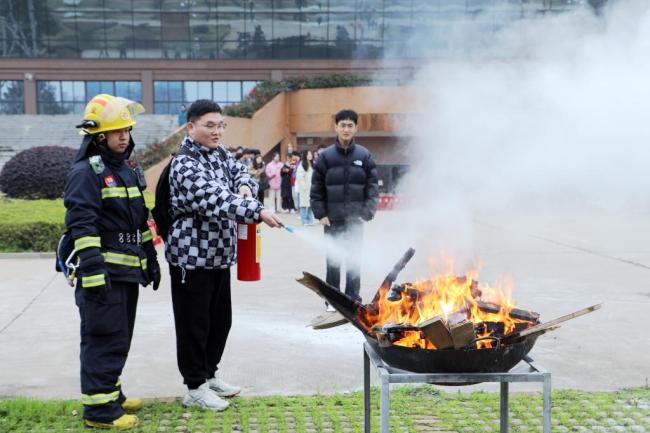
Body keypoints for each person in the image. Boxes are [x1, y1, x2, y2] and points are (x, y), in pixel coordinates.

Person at [166, 99, 283, 412]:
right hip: (192, 257)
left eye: (220, 125)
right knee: (194, 325)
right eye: (210, 126)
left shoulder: (219, 153)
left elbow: (241, 172)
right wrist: (257, 210)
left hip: (219, 255)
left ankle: (209, 374)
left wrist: (244, 186)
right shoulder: (185, 162)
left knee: (220, 321)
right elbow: (217, 200)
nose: (217, 131)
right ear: (190, 127)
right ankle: (194, 388)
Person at [64, 94, 161, 430]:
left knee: (119, 337)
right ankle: (99, 411)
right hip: (103, 274)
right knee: (102, 337)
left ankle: (111, 394)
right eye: (117, 131)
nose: (124, 137)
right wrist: (93, 272)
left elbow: (140, 220)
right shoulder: (85, 173)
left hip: (126, 272)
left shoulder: (126, 169)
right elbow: (83, 225)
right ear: (99, 136)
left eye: (127, 130)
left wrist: (150, 258)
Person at [310, 109, 379, 327]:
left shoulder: (364, 156)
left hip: (356, 220)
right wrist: (321, 213)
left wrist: (367, 212)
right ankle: (332, 301)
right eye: (343, 125)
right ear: (336, 127)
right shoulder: (325, 157)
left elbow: (372, 188)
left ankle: (352, 299)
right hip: (333, 219)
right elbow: (316, 188)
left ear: (356, 128)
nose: (346, 129)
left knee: (354, 260)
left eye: (350, 125)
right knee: (333, 261)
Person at [295, 149, 315, 226]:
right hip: (305, 189)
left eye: (311, 154)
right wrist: (304, 187)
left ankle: (310, 220)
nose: (310, 155)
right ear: (305, 155)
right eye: (308, 154)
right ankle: (304, 221)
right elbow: (300, 177)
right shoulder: (302, 165)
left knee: (310, 205)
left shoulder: (312, 164)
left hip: (311, 188)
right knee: (303, 205)